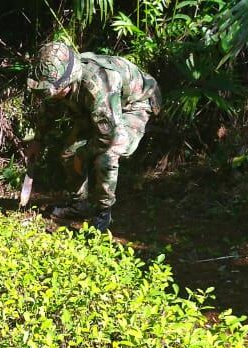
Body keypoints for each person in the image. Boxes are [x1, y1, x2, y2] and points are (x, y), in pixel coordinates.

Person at [24, 41, 160, 231]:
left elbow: (108, 137)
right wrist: (38, 140)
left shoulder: (97, 86)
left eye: (55, 91)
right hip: (99, 111)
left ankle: (104, 212)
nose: (52, 95)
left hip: (134, 105)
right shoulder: (59, 85)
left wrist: (83, 154)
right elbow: (49, 109)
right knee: (68, 154)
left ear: (68, 81)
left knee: (106, 156)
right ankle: (79, 204)